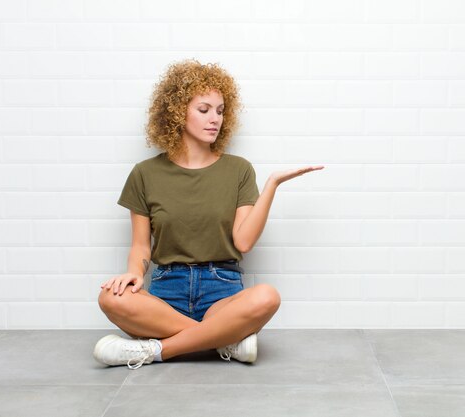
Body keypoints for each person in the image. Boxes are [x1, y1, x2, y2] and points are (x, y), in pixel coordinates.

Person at [92, 59, 324, 369]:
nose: (214, 118)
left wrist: (272, 185)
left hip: (222, 291)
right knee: (110, 297)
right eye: (204, 110)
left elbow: (243, 242)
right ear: (177, 111)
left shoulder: (238, 170)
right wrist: (135, 272)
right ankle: (223, 342)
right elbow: (140, 246)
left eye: (220, 110)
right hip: (165, 292)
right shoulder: (144, 174)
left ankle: (155, 350)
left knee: (267, 296)